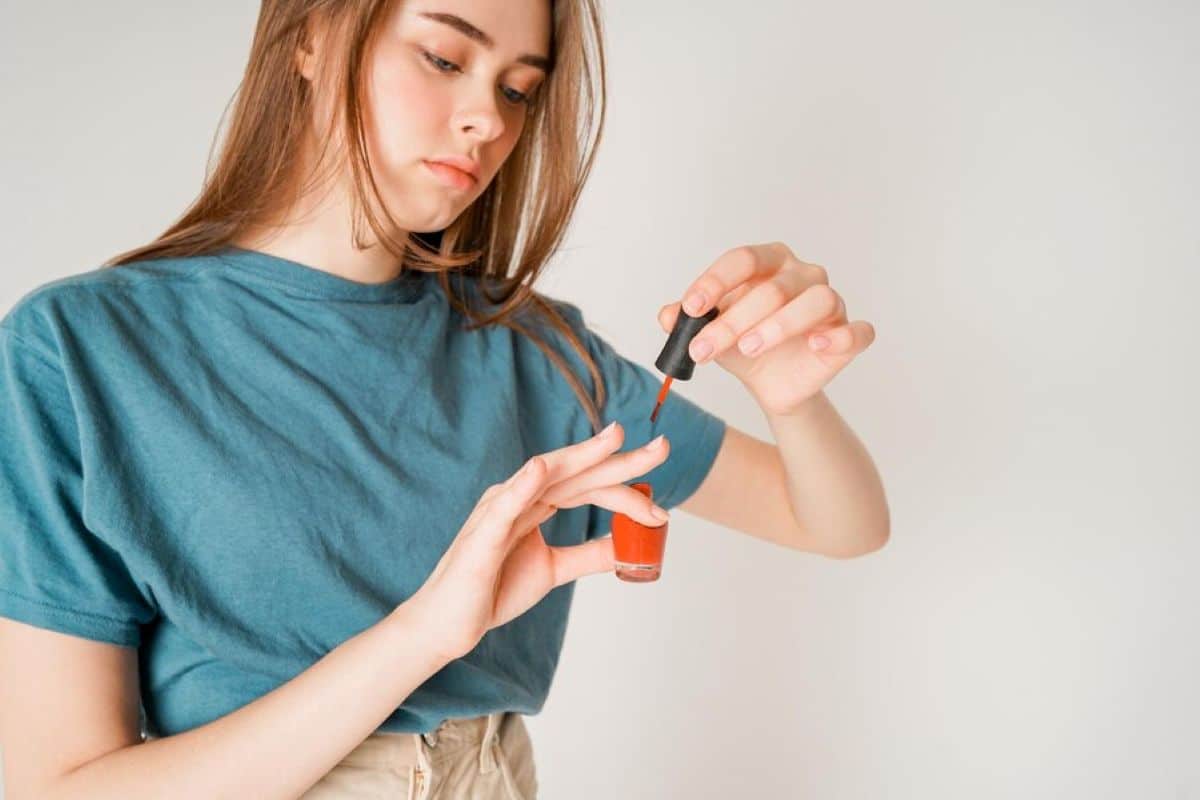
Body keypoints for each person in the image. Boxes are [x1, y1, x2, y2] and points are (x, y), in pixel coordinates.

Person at [0, 0, 890, 797]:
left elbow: (839, 524)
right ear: (311, 33)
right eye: (442, 57)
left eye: (519, 90)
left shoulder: (538, 349)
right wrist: (424, 634)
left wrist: (792, 398)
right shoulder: (80, 351)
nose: (483, 121)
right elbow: (58, 788)